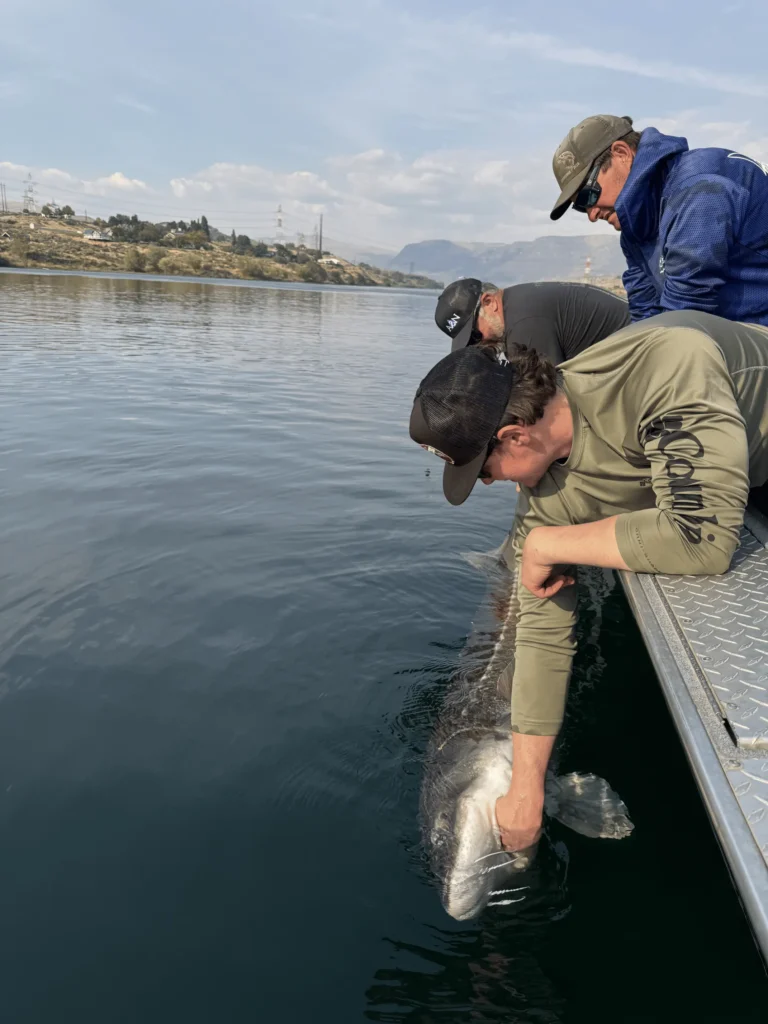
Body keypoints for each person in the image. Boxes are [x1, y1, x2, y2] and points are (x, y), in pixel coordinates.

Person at [409, 309, 768, 853]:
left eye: (481, 471)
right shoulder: (543, 495)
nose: (486, 484)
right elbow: (541, 628)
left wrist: (551, 545)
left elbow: (704, 540)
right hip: (733, 466)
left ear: (513, 437)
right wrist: (528, 787)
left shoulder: (667, 366)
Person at [548, 114, 768, 326]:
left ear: (622, 153)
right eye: (580, 206)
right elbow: (645, 315)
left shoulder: (699, 189)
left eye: (588, 195)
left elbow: (685, 315)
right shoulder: (637, 229)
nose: (591, 215)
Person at [435, 278, 629, 361]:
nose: (480, 344)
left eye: (475, 335)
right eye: (471, 343)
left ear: (489, 302)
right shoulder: (518, 301)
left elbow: (546, 394)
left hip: (640, 354)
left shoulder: (523, 324)